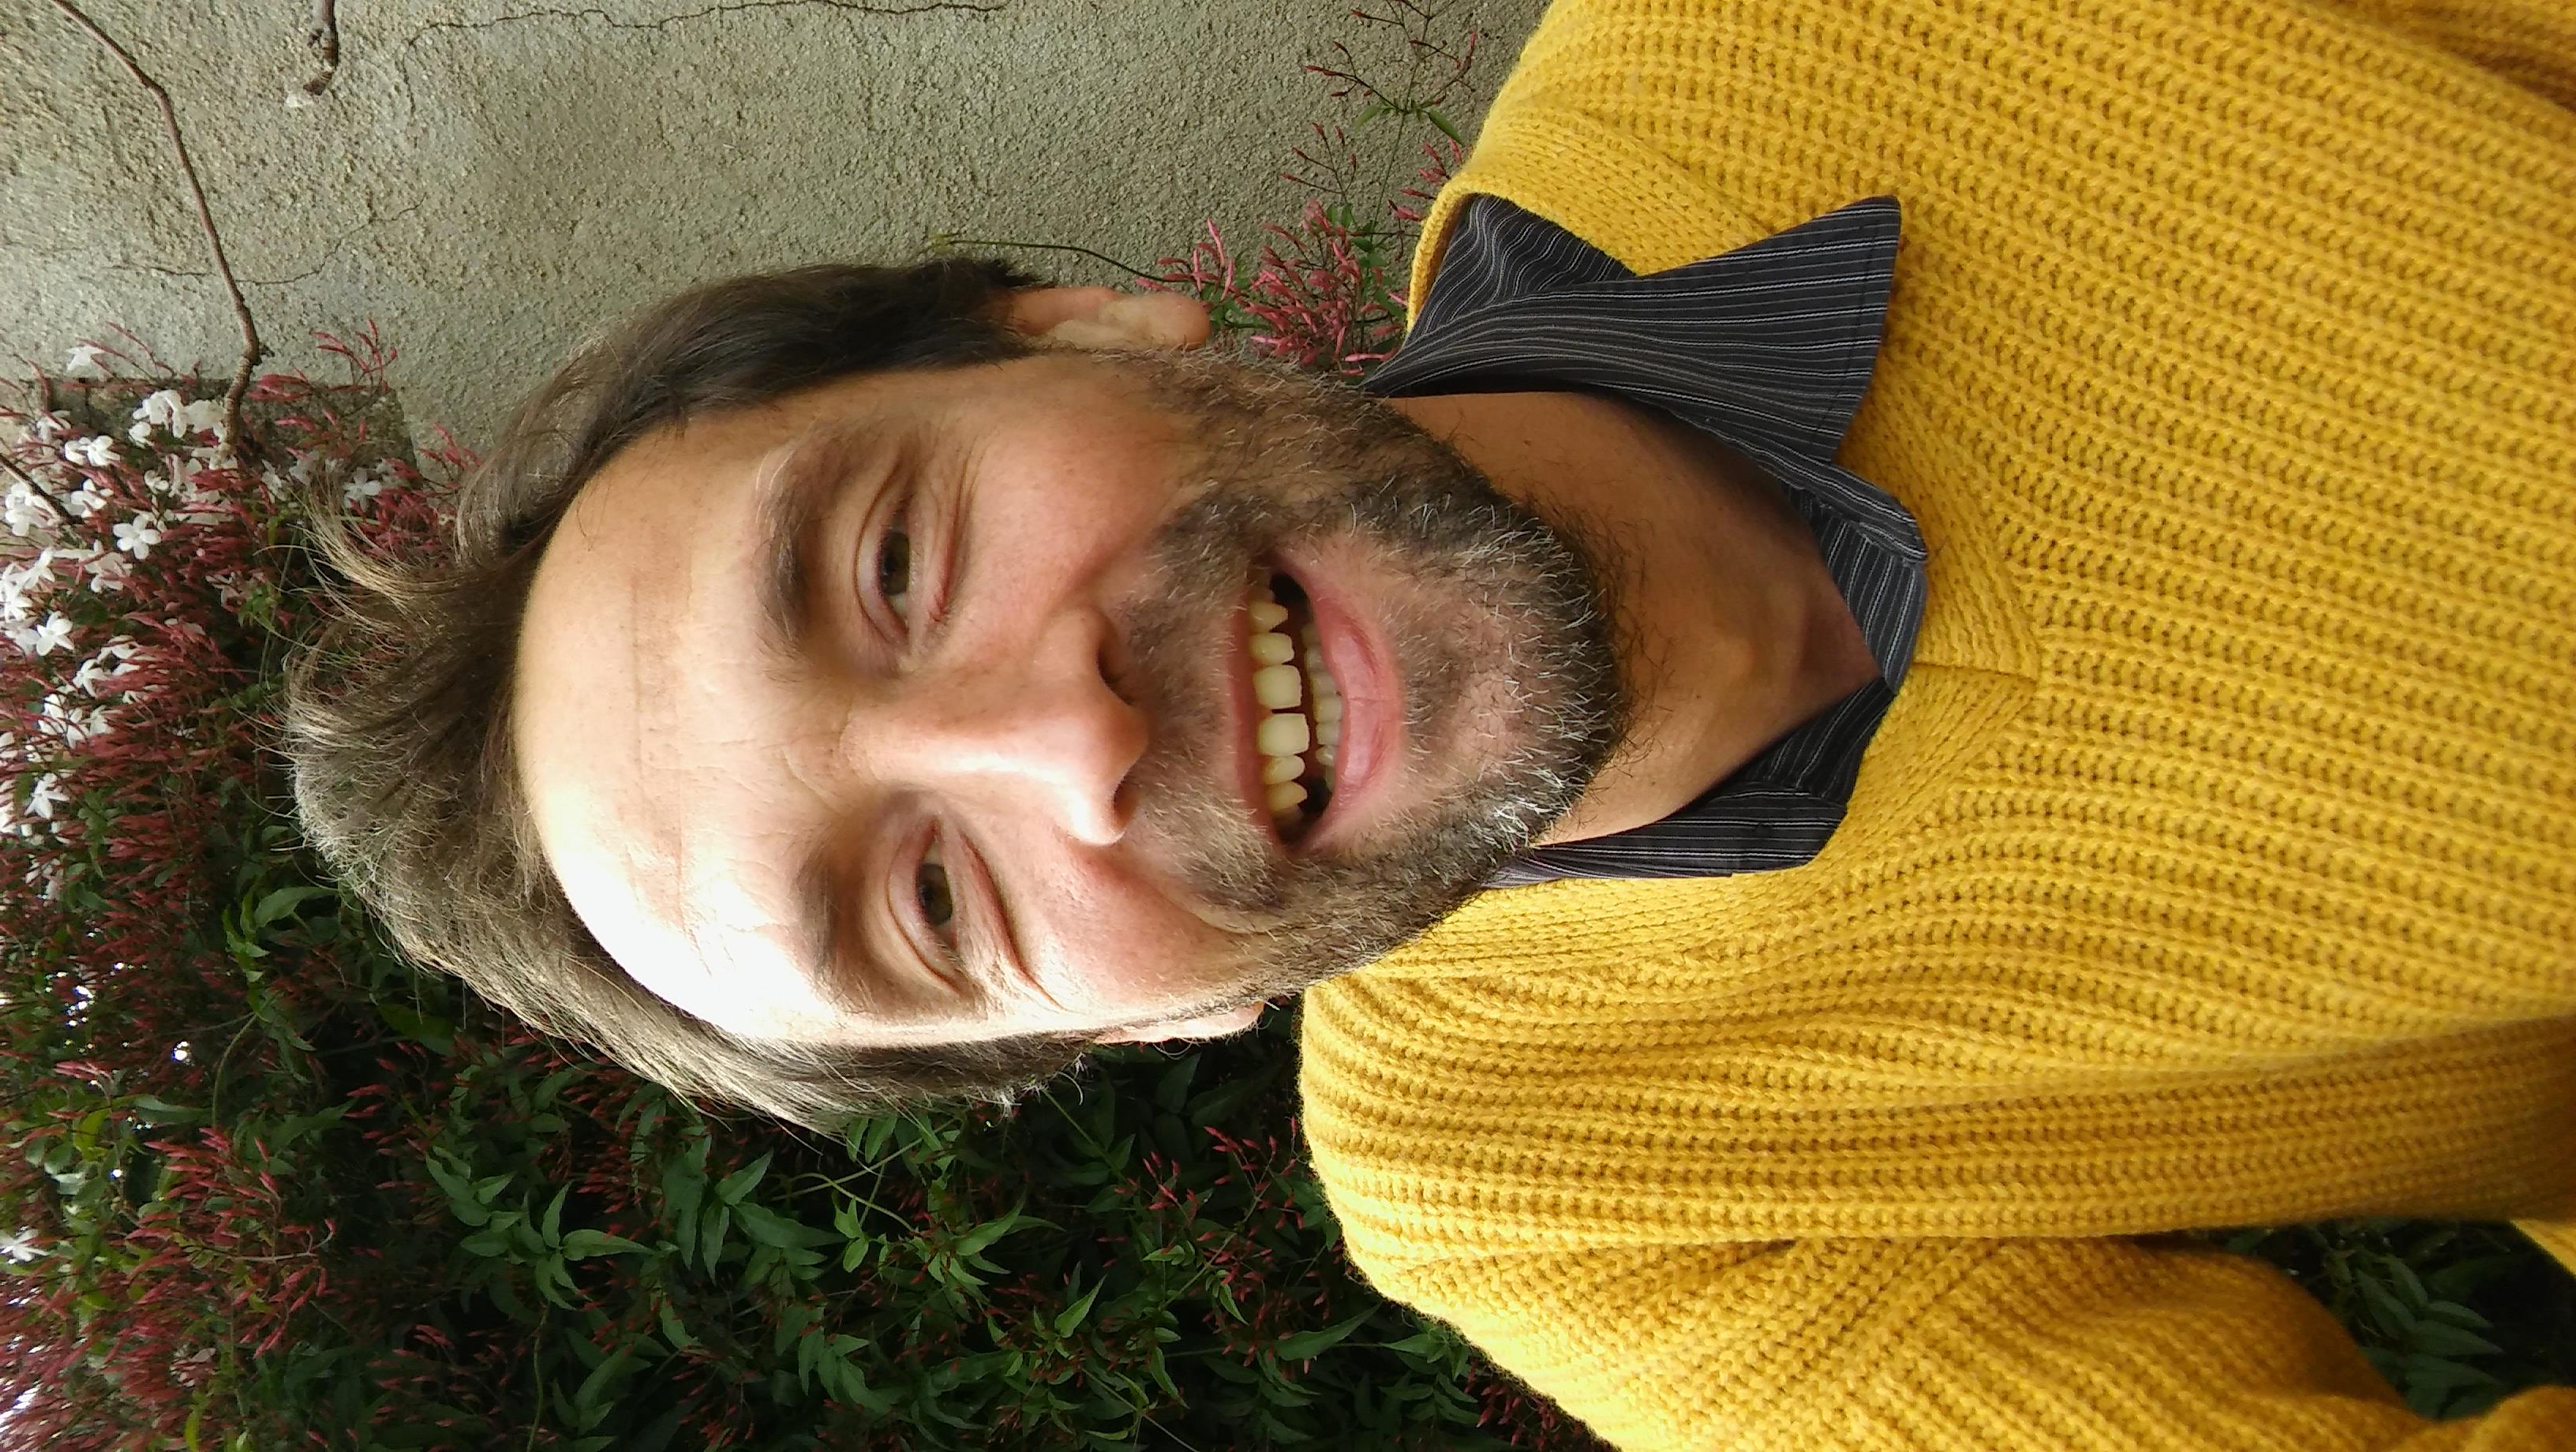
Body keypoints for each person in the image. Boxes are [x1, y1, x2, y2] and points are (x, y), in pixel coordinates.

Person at [284, 0, 2576, 1446]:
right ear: (1138, 1033)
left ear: (1079, 325)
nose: (1060, 741)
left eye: (895, 566)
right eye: (934, 903)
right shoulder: (1555, 1200)